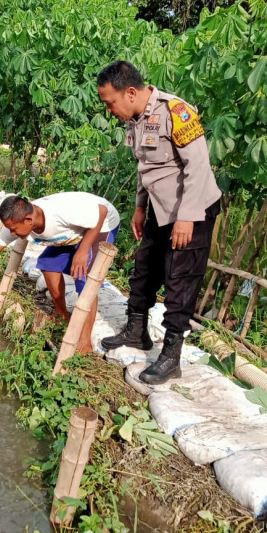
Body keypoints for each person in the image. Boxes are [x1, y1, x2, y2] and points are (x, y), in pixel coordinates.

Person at [96, 61, 221, 383]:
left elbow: (198, 167)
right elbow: (145, 167)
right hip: (160, 208)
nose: (109, 110)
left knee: (180, 279)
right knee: (145, 268)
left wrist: (187, 218)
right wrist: (140, 207)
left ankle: (171, 357)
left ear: (131, 93)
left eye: (110, 102)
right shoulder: (136, 119)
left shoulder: (176, 112)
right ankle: (136, 332)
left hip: (192, 211)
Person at [0, 191, 120, 354]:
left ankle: (85, 340)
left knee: (84, 277)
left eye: (14, 230)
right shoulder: (20, 220)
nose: (12, 234)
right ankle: (61, 315)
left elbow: (101, 211)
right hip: (74, 232)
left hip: (101, 223)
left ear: (28, 220)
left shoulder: (61, 212)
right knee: (47, 263)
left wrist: (83, 250)